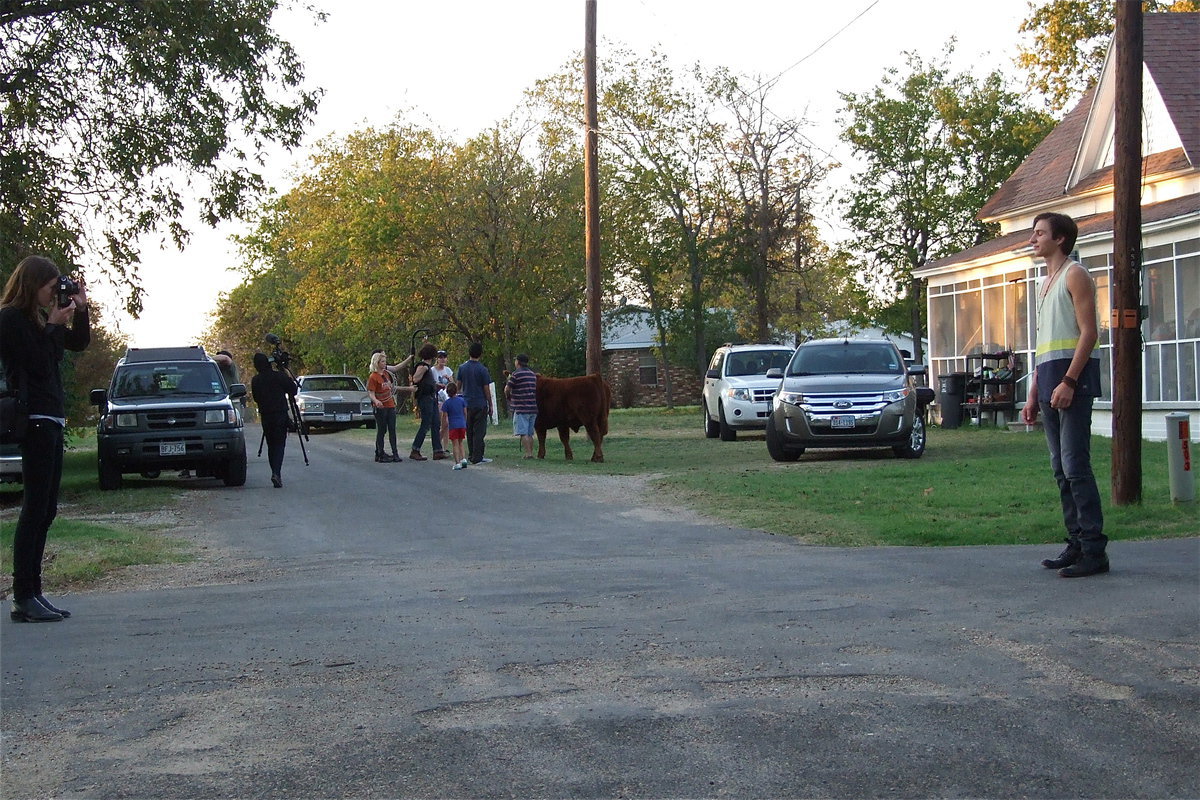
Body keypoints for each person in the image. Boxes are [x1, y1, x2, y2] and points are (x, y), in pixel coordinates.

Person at [0, 256, 90, 622]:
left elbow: (77, 345)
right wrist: (52, 325)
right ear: (31, 283)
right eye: (51, 289)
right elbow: (38, 364)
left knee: (47, 509)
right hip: (34, 418)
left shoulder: (37, 321)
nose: (55, 294)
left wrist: (79, 311)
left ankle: (34, 592)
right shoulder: (9, 319)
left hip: (51, 418)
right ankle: (23, 594)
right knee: (34, 508)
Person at [1019, 212, 1107, 578]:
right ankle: (1075, 543)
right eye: (1034, 233)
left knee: (1075, 466)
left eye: (1040, 233)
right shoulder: (1044, 283)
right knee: (1060, 470)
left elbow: (1089, 333)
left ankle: (1093, 550)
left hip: (1073, 383)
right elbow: (1043, 346)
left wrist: (1069, 382)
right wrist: (1033, 391)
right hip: (1049, 385)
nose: (1033, 239)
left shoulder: (1076, 274)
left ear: (1060, 239)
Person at [250, 352, 296, 488]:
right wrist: (284, 370)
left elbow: (256, 399)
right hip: (280, 415)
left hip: (266, 415)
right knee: (279, 444)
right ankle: (277, 473)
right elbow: (293, 390)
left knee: (271, 445)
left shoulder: (256, 380)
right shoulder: (279, 376)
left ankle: (275, 472)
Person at [408, 343, 448, 461]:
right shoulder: (424, 366)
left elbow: (425, 382)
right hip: (425, 398)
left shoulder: (427, 367)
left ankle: (437, 450)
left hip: (432, 396)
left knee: (436, 423)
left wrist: (435, 385)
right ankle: (415, 449)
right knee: (426, 424)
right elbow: (415, 379)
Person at [456, 341, 494, 464]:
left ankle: (471, 454)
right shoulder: (483, 369)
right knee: (479, 431)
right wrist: (490, 403)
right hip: (480, 402)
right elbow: (486, 389)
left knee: (470, 430)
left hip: (466, 403)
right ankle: (478, 456)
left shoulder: (462, 368)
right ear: (480, 354)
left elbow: (458, 386)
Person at [367, 351, 402, 462]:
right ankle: (380, 453)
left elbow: (391, 387)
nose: (384, 363)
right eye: (382, 361)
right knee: (382, 430)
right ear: (377, 363)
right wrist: (376, 401)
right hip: (380, 407)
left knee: (392, 429)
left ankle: (395, 453)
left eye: (384, 361)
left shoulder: (386, 375)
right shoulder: (373, 377)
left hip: (390, 404)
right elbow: (371, 393)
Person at [505, 353, 538, 459]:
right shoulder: (532, 374)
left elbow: (507, 389)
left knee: (523, 433)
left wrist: (508, 397)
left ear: (518, 362)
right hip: (532, 407)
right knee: (530, 433)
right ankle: (531, 453)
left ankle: (528, 454)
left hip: (521, 407)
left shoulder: (515, 374)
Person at [441, 381, 469, 470]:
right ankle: (463, 459)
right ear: (456, 390)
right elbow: (465, 412)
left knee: (455, 444)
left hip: (453, 425)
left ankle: (457, 463)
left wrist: (444, 426)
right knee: (461, 442)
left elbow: (444, 416)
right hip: (462, 424)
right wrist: (465, 421)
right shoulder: (461, 400)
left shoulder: (446, 403)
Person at [431, 349, 454, 452]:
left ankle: (445, 447)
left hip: (447, 399)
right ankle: (437, 445)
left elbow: (453, 385)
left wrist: (449, 379)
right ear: (437, 359)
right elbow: (432, 384)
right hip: (438, 399)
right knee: (443, 423)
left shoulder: (448, 370)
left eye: (444, 357)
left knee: (447, 424)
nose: (442, 359)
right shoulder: (433, 370)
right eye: (440, 357)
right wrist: (438, 385)